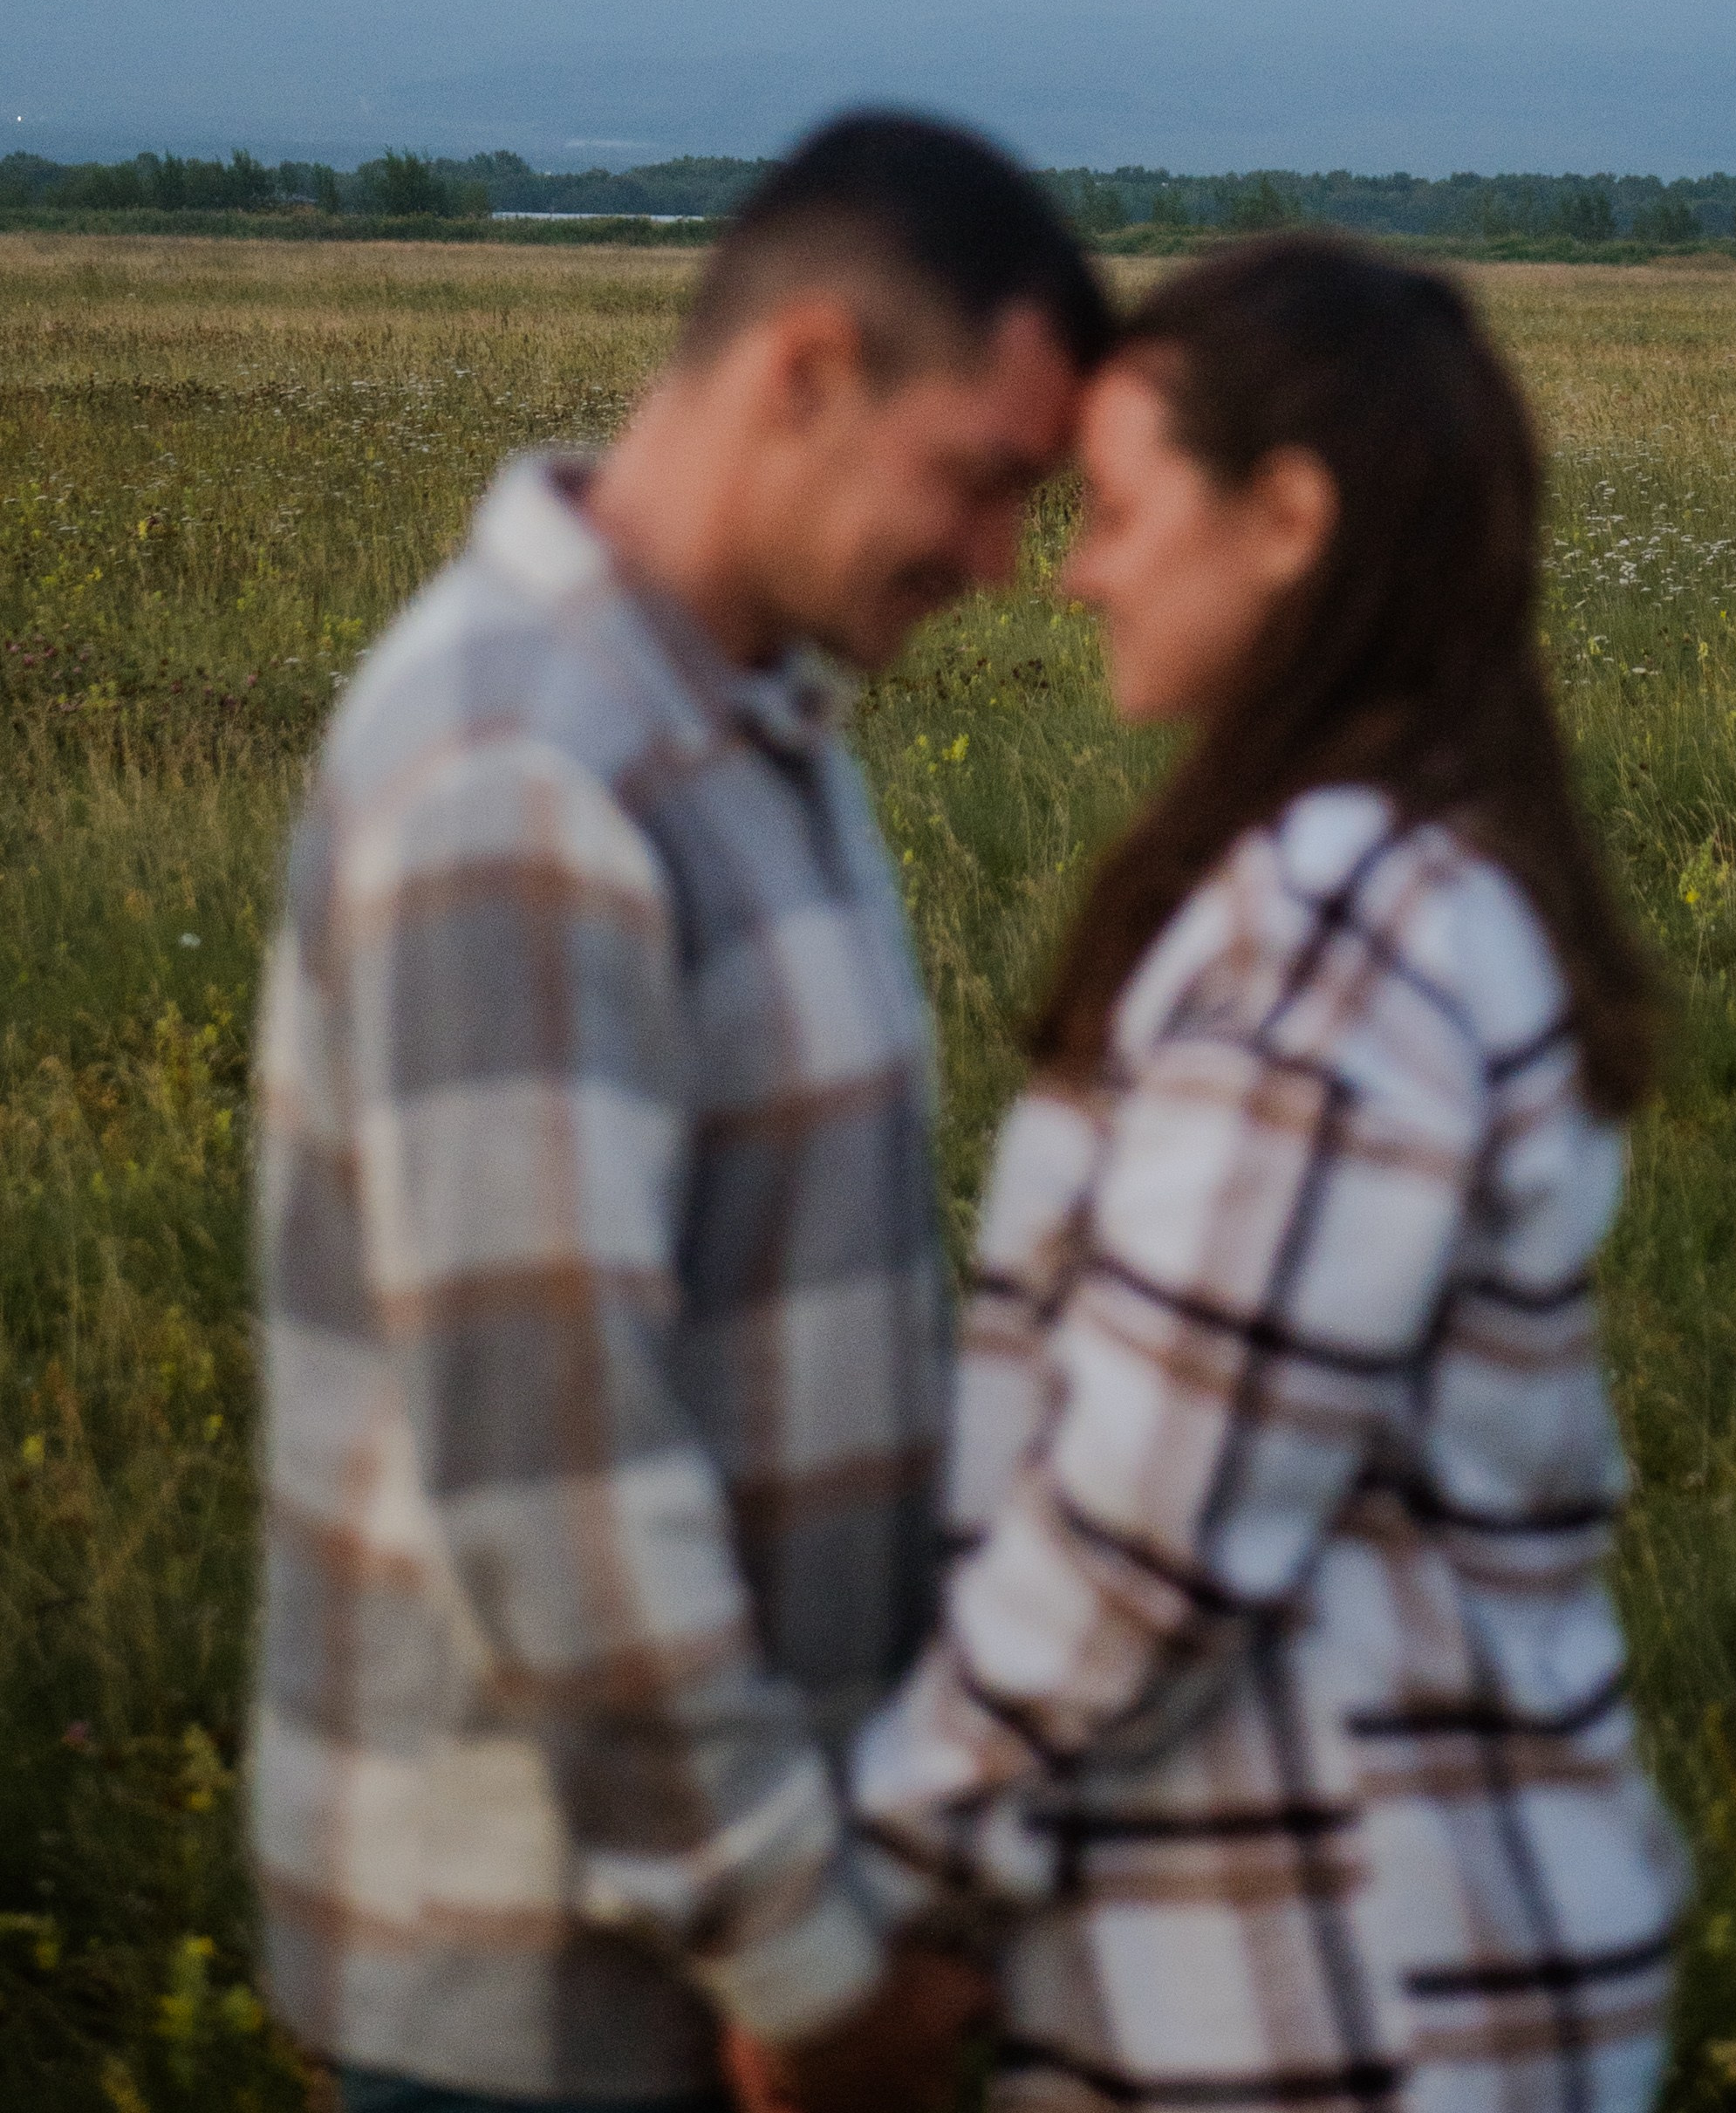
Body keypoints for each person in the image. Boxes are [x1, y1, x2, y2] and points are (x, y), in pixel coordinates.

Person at [250, 113, 1111, 2113]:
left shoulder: (736, 719)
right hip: (558, 2000)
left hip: (704, 1953)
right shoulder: (520, 772)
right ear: (807, 372)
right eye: (982, 483)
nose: (1002, 567)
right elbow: (555, 1470)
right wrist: (804, 1969)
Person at [853, 235, 1689, 2113]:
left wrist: (881, 1894)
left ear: (1288, 516)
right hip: (1382, 1961)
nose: (1073, 568)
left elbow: (1153, 1522)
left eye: (1125, 507)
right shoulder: (1414, 882)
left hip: (1334, 1997)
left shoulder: (1332, 933)